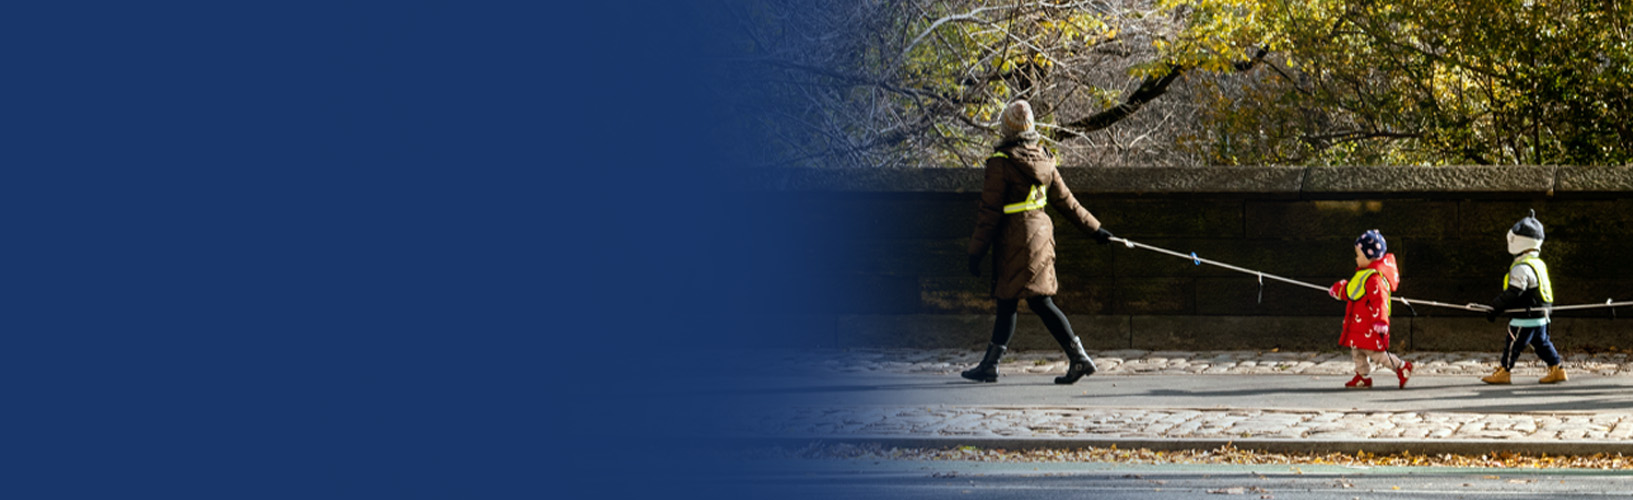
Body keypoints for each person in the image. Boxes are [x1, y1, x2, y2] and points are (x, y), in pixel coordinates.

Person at [960, 100, 1114, 384]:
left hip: (1014, 237)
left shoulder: (1001, 163)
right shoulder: (1044, 158)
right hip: (1041, 234)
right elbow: (1067, 202)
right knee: (1019, 300)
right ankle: (991, 364)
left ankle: (1078, 357)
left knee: (1036, 301)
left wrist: (975, 251)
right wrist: (1096, 229)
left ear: (1006, 128)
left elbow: (989, 213)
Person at [1481, 210, 1567, 385]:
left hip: (1525, 316)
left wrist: (1495, 307)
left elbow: (1514, 292)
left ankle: (1505, 370)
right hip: (1541, 315)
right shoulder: (1538, 263)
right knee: (1542, 343)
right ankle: (1557, 368)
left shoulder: (1521, 267)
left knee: (1512, 344)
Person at [1328, 229, 1413, 389]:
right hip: (1359, 325)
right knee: (1357, 351)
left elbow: (1380, 301)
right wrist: (1338, 290)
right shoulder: (1364, 275)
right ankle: (1362, 376)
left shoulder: (1374, 279)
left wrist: (1381, 321)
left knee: (1376, 354)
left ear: (1369, 256)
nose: (1356, 258)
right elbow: (1351, 291)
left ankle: (1401, 366)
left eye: (1358, 255)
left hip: (1370, 325)